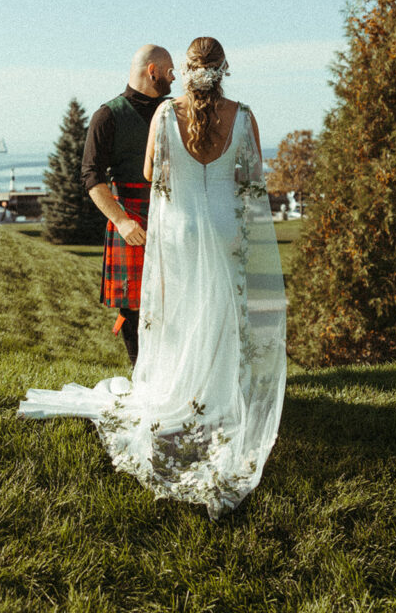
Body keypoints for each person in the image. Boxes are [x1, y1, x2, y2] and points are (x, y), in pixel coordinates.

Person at [19, 37, 286, 519]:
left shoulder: (166, 115)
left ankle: (180, 393)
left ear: (183, 70)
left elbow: (149, 171)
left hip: (179, 229)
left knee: (180, 313)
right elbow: (253, 177)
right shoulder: (243, 115)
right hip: (224, 228)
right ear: (224, 69)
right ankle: (220, 399)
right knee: (222, 311)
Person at [81, 44, 175, 365]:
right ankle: (141, 374)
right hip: (131, 216)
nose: (174, 78)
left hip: (173, 214)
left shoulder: (175, 110)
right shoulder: (107, 116)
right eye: (169, 71)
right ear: (153, 72)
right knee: (134, 304)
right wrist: (121, 221)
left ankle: (172, 372)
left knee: (174, 298)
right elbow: (91, 177)